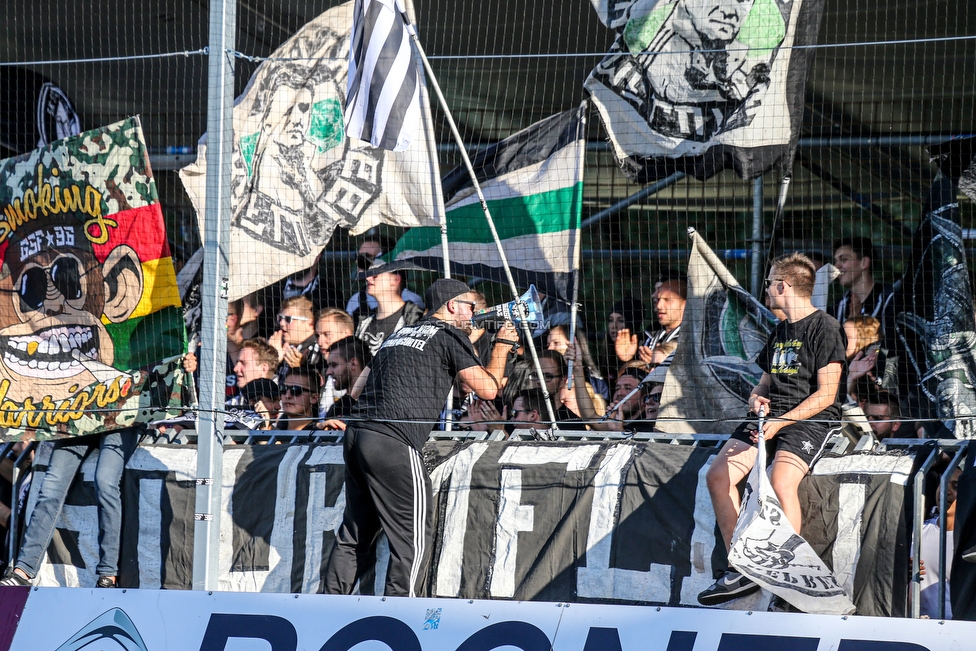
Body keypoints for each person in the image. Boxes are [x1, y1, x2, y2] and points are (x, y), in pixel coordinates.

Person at [324, 278, 515, 597]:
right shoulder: (450, 333)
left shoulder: (400, 333)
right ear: (453, 306)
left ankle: (326, 606)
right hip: (393, 440)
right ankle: (400, 614)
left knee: (354, 534)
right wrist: (502, 347)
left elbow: (356, 390)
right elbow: (488, 389)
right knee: (413, 535)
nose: (473, 314)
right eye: (471, 307)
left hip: (357, 434)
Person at [699, 253, 846, 605]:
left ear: (783, 286)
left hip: (810, 418)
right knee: (718, 476)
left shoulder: (824, 326)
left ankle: (783, 566)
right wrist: (756, 400)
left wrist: (781, 421)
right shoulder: (781, 329)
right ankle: (743, 565)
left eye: (769, 283)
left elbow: (827, 394)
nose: (765, 289)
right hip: (772, 415)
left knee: (781, 481)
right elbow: (762, 384)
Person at [0, 427, 141, 588]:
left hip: (123, 422)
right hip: (80, 419)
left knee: (105, 482)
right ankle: (23, 571)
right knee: (50, 489)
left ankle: (108, 573)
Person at [354, 259, 424, 355]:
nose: (368, 278)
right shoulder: (362, 321)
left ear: (395, 279)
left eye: (375, 275)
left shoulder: (415, 319)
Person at [346, 235, 425, 316]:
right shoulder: (356, 300)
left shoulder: (411, 302)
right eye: (358, 257)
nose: (357, 261)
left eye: (366, 257)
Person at [832, 236, 894, 325]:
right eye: (836, 261)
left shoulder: (890, 300)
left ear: (864, 262)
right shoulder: (838, 307)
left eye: (844, 259)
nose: (836, 266)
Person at [321, 337, 371, 419]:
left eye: (333, 365)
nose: (328, 372)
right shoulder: (337, 408)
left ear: (353, 364)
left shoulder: (377, 400)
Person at [277, 366, 321, 431]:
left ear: (314, 398)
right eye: (283, 389)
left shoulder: (321, 435)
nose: (287, 396)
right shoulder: (271, 432)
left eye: (296, 390)